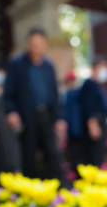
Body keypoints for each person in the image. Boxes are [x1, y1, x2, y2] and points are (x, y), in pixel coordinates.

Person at [4, 27, 66, 183]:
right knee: (28, 155)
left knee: (52, 153)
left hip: (47, 115)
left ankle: (59, 186)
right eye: (32, 43)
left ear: (45, 45)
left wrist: (59, 118)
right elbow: (8, 93)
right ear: (28, 44)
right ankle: (29, 187)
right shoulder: (17, 64)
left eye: (39, 44)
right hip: (27, 116)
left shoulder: (49, 66)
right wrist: (11, 111)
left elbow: (55, 94)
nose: (35, 47)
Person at [77, 55, 107, 167]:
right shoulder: (89, 85)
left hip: (101, 122)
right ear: (95, 68)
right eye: (104, 67)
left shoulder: (98, 85)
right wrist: (92, 125)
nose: (106, 70)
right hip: (95, 123)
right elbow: (87, 107)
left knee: (99, 155)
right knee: (94, 156)